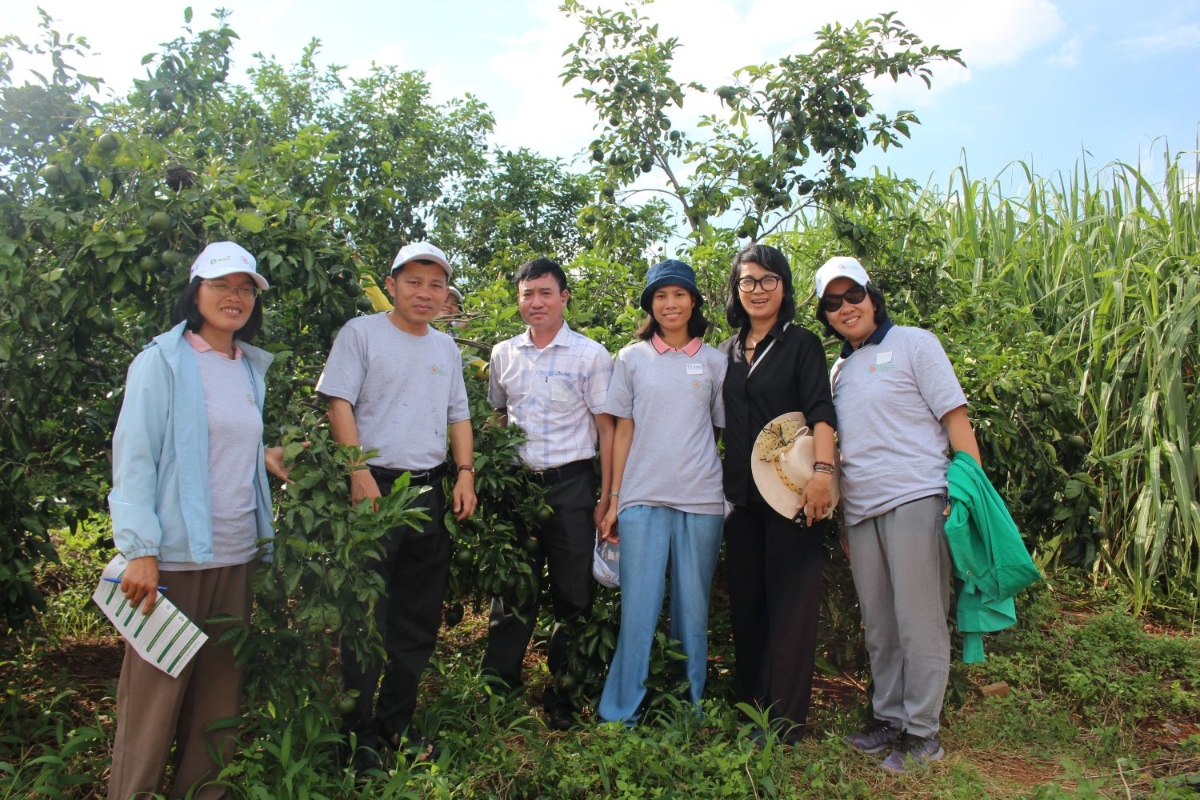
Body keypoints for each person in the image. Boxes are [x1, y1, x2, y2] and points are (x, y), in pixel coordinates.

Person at [108, 241, 288, 799]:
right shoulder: (161, 361)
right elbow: (136, 454)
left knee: (219, 698)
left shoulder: (248, 368)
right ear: (196, 291)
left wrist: (265, 458)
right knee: (154, 698)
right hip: (175, 558)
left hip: (236, 553)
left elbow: (210, 442)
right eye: (221, 286)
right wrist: (140, 549)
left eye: (244, 289)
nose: (234, 298)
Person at [813, 255, 981, 774]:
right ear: (825, 314)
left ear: (872, 295)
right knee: (880, 625)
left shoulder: (915, 343)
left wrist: (968, 493)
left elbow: (956, 421)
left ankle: (923, 733)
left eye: (853, 295)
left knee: (919, 621)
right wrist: (843, 518)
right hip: (862, 511)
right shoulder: (838, 369)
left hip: (917, 497)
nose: (846, 308)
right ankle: (888, 718)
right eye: (833, 303)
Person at [316, 241, 477, 770]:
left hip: (429, 489)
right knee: (366, 616)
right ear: (391, 285)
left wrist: (465, 474)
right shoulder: (361, 334)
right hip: (376, 486)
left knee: (416, 616)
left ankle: (394, 723)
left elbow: (458, 415)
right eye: (414, 282)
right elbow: (339, 401)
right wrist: (357, 470)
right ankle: (355, 732)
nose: (424, 293)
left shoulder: (445, 349)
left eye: (435, 285)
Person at [481, 257, 614, 731]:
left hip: (572, 485)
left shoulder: (590, 354)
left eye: (545, 292)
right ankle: (499, 685)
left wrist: (607, 494)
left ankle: (564, 691)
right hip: (518, 486)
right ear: (518, 299)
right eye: (526, 293)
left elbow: (607, 428)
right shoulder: (503, 354)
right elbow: (498, 416)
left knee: (573, 593)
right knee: (513, 587)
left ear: (564, 297)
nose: (535, 302)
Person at [597, 259, 726, 725]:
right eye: (660, 296)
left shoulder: (714, 361)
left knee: (692, 611)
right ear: (651, 305)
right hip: (641, 499)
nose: (670, 304)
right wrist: (612, 499)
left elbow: (715, 431)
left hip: (703, 501)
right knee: (638, 610)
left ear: (693, 301)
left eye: (679, 294)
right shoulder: (630, 358)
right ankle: (621, 710)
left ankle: (686, 708)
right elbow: (622, 432)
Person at [718, 243, 837, 743]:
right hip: (741, 499)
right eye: (748, 281)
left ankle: (785, 723)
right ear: (735, 289)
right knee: (747, 605)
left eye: (768, 280)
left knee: (791, 608)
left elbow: (822, 412)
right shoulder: (726, 349)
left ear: (784, 287)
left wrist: (823, 475)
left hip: (792, 494)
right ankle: (750, 710)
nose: (758, 290)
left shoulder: (801, 344)